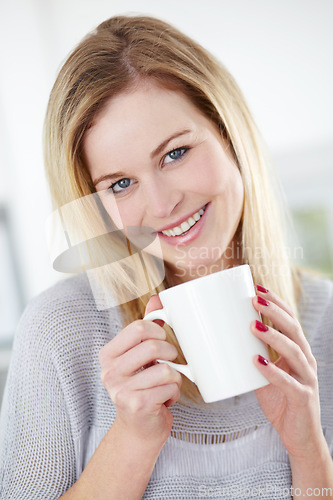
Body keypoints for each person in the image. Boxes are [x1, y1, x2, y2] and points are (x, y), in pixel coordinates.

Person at [0, 14, 332, 500]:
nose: (160, 206)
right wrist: (133, 439)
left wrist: (308, 450)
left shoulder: (325, 319)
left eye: (175, 154)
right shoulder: (61, 330)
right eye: (120, 183)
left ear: (228, 136)